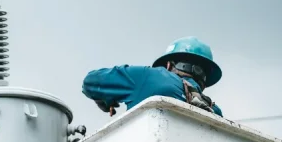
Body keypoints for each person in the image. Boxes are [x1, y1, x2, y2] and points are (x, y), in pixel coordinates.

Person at [81, 36, 224, 117]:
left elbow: (90, 82)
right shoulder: (215, 112)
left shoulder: (149, 77)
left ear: (168, 65)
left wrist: (104, 99)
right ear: (204, 81)